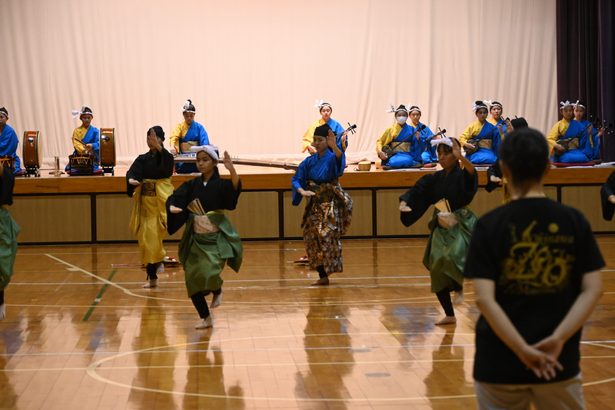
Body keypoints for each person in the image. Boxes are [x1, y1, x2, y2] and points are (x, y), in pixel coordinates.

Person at [464, 127, 604, 409]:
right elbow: (593, 289)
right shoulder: (574, 220)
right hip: (558, 361)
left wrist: (521, 350)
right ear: (548, 167)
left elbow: (483, 299)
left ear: (503, 168)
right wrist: (557, 339)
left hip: (498, 363)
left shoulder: (489, 225)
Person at [399, 137, 477, 325]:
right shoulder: (435, 178)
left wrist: (462, 157)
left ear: (455, 155)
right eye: (439, 154)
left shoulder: (462, 173)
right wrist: (404, 202)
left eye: (446, 153)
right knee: (436, 264)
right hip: (441, 221)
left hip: (461, 221)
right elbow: (419, 189)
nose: (442, 157)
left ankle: (458, 286)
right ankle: (449, 314)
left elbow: (472, 175)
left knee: (454, 255)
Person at [166, 146, 242, 329]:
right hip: (195, 239)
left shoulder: (221, 184)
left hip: (214, 239)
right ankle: (205, 317)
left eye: (205, 160)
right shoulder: (192, 185)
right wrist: (172, 207)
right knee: (192, 279)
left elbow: (233, 193)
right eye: (198, 160)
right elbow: (175, 197)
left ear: (214, 163)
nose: (200, 163)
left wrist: (232, 170)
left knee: (209, 272)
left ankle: (217, 289)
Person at [292, 123, 353, 286]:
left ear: (327, 141)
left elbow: (339, 166)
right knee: (311, 236)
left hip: (330, 203)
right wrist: (301, 190)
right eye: (315, 140)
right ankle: (322, 275)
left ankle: (330, 268)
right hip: (314, 203)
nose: (317, 143)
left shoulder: (332, 157)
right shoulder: (309, 161)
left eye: (320, 140)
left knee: (327, 236)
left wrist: (336, 147)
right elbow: (297, 178)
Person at [126, 126, 175, 288]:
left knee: (154, 236)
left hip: (161, 201)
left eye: (154, 137)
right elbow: (132, 172)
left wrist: (160, 148)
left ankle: (159, 259)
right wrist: (132, 180)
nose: (150, 140)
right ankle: (153, 274)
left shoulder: (165, 157)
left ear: (161, 139)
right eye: (148, 137)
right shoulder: (143, 158)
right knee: (145, 240)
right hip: (146, 205)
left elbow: (167, 167)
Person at [485, 117, 528, 194]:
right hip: (511, 186)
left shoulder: (529, 146)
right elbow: (496, 166)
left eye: (509, 126)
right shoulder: (511, 145)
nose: (507, 128)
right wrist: (492, 175)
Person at [0, 161, 19, 320]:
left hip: (2, 222)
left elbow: (5, 199)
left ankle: (0, 301)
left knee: (3, 263)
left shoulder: (7, 174)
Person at [376, 105, 424, 169]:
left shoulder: (412, 129)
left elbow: (417, 145)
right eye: (399, 115)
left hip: (408, 154)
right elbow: (380, 141)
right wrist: (380, 151)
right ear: (395, 117)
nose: (401, 117)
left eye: (404, 115)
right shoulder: (391, 129)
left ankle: (395, 165)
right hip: (394, 154)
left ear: (407, 117)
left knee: (408, 160)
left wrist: (418, 139)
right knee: (394, 161)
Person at [169, 99, 211, 174]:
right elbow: (174, 138)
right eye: (187, 116)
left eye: (191, 116)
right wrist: (172, 147)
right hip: (182, 159)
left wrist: (204, 149)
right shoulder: (180, 127)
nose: (189, 118)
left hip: (197, 158)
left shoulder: (199, 127)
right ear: (183, 115)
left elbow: (205, 141)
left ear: (194, 115)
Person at [66, 106, 102, 174]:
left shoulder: (95, 131)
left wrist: (92, 145)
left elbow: (99, 142)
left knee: (97, 149)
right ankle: (77, 168)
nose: (87, 120)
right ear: (81, 118)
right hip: (80, 153)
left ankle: (94, 167)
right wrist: (84, 150)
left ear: (92, 118)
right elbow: (76, 143)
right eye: (84, 118)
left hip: (92, 153)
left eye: (88, 118)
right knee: (74, 164)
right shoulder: (77, 131)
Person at [0, 107, 24, 175]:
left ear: (7, 119)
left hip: (7, 158)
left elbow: (12, 147)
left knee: (12, 167)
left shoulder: (10, 131)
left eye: (1, 117)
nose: (0, 119)